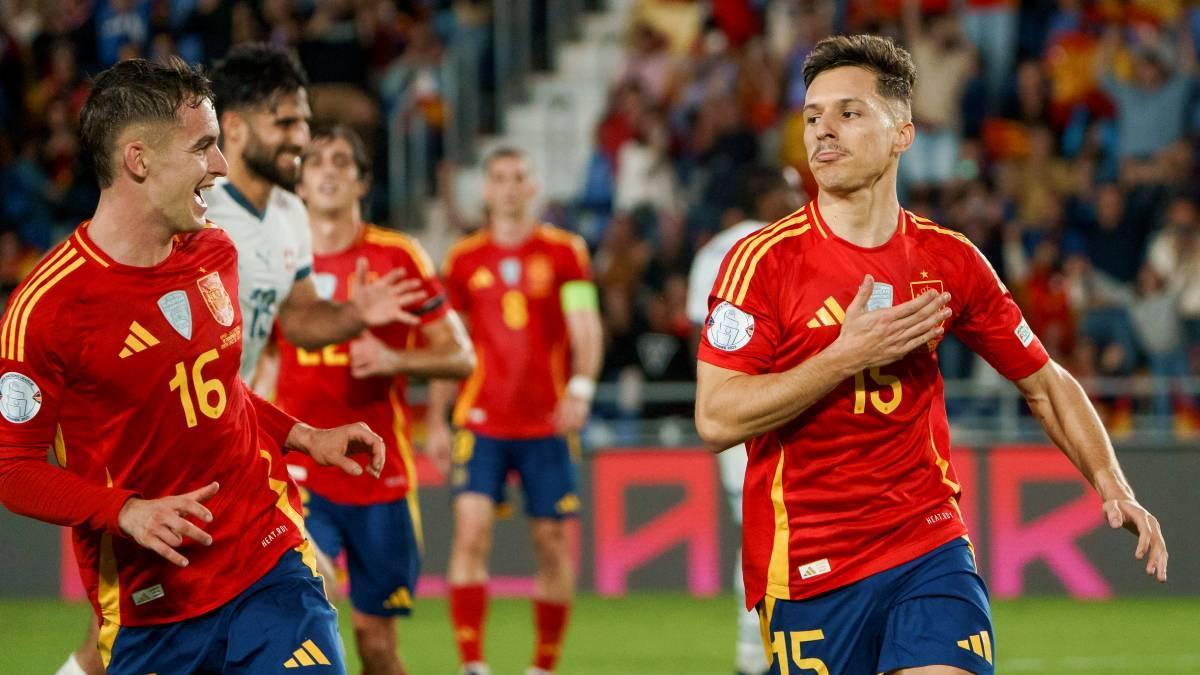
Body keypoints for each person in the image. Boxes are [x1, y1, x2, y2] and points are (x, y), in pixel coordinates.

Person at [694, 35, 1168, 675]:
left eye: (848, 112)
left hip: (928, 542)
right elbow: (717, 417)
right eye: (812, 116)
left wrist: (1113, 483)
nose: (822, 132)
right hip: (810, 564)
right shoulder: (761, 263)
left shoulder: (949, 260)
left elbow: (1045, 382)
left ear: (902, 134)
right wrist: (841, 356)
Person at [0, 57, 389, 674]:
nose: (221, 166)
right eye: (204, 146)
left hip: (266, 555)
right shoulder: (46, 309)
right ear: (138, 160)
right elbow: (13, 470)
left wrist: (303, 437)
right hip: (151, 604)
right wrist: (123, 510)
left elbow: (218, 386)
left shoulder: (214, 251)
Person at [269, 124, 475, 674]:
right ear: (300, 184)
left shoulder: (398, 256)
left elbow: (461, 356)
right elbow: (259, 363)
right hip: (300, 470)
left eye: (342, 161)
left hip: (377, 475)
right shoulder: (277, 260)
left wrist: (394, 361)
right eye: (316, 162)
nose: (330, 170)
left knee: (377, 645)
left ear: (362, 183)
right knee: (315, 599)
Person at [427, 147, 603, 675]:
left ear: (533, 187)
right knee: (471, 530)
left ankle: (543, 666)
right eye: (498, 178)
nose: (507, 187)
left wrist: (582, 387)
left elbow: (586, 327)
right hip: (480, 420)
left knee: (551, 544)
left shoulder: (565, 251)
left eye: (517, 178)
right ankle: (473, 664)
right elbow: (446, 346)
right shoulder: (463, 259)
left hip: (546, 422)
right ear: (485, 189)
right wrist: (437, 417)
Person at [685, 165, 801, 675]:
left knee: (766, 527)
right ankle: (756, 649)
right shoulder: (763, 247)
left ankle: (760, 649)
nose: (798, 197)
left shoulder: (715, 251)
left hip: (749, 406)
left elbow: (700, 335)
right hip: (770, 411)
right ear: (765, 194)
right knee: (768, 528)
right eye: (789, 190)